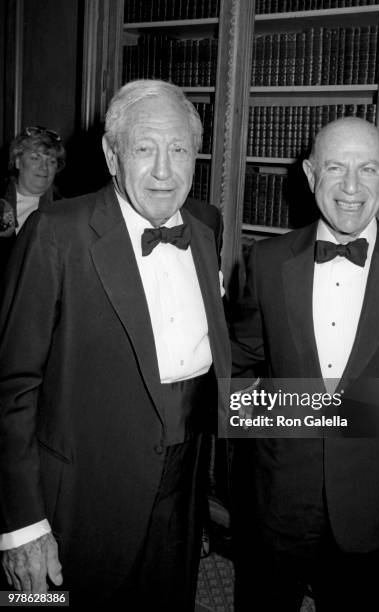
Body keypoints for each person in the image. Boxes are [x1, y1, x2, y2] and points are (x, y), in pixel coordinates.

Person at [0, 79, 230, 609]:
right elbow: (11, 388)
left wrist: (349, 409)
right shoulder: (54, 232)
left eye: (178, 150)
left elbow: (214, 355)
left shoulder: (206, 226)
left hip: (183, 483)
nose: (163, 171)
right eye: (145, 149)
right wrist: (21, 524)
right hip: (76, 499)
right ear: (111, 153)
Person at [230, 117, 379, 611]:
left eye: (368, 169)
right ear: (311, 175)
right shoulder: (266, 261)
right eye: (335, 167)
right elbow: (243, 365)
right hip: (277, 498)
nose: (351, 187)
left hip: (374, 501)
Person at [0, 126, 65, 281]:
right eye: (35, 158)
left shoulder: (65, 209)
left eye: (51, 161)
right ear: (17, 162)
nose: (44, 167)